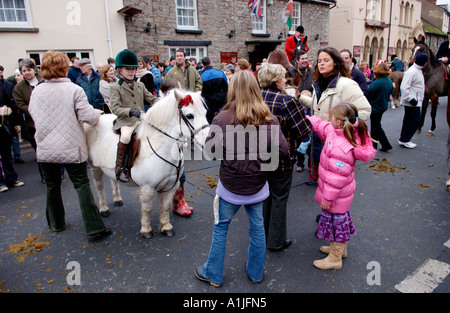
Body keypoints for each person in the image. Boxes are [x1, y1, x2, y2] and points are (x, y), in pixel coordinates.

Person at [194, 70, 288, 287]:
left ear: (232, 90)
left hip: (231, 185)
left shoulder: (222, 118)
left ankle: (213, 274)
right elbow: (283, 151)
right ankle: (256, 273)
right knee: (257, 229)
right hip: (257, 185)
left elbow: (210, 151)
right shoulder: (269, 119)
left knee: (221, 227)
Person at [28, 50, 111, 240]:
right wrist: (99, 113)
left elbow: (33, 114)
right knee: (81, 184)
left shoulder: (37, 90)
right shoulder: (74, 89)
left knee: (52, 184)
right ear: (65, 67)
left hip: (46, 146)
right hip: (71, 146)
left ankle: (56, 223)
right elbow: (87, 116)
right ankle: (94, 227)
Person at [306, 102, 376, 270]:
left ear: (338, 122)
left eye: (331, 117)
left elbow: (335, 177)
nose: (328, 120)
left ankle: (335, 258)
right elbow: (323, 127)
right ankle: (340, 249)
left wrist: (327, 198)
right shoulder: (338, 133)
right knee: (339, 222)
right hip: (341, 196)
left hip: (335, 196)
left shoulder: (341, 147)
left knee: (335, 224)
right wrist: (310, 119)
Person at [298, 47, 371, 185]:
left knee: (334, 182)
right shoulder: (318, 84)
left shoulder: (346, 84)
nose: (322, 64)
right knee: (322, 175)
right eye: (319, 61)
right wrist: (300, 98)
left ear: (336, 63)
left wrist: (342, 129)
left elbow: (364, 110)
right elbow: (317, 106)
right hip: (318, 136)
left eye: (326, 60)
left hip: (336, 139)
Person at [258, 63, 311, 252]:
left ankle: (263, 236)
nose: (285, 81)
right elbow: (304, 131)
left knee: (266, 197)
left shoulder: (255, 99)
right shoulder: (286, 101)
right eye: (283, 78)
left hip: (259, 157)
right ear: (276, 81)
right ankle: (275, 241)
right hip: (282, 158)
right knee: (279, 197)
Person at [109, 49, 158, 182]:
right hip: (126, 121)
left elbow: (151, 98)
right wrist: (129, 111)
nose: (131, 72)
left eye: (133, 69)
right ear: (120, 70)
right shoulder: (115, 87)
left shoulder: (140, 85)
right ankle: (120, 168)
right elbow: (115, 108)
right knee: (125, 137)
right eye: (127, 69)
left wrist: (166, 103)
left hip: (141, 120)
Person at [159, 78, 196, 217]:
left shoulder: (178, 105)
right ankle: (176, 204)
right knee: (174, 176)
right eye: (179, 87)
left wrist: (184, 143)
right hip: (168, 147)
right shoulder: (164, 107)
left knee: (182, 175)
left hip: (177, 145)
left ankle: (181, 201)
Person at [13, 58, 46, 182]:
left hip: (49, 120)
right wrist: (33, 110)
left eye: (29, 70)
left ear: (34, 70)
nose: (26, 73)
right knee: (39, 150)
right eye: (24, 71)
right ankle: (44, 174)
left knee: (53, 148)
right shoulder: (19, 87)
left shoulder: (44, 80)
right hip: (32, 123)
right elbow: (19, 104)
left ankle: (59, 172)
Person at [398, 53, 428, 149]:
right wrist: (410, 99)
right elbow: (404, 87)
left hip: (414, 100)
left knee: (408, 119)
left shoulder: (417, 70)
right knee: (415, 120)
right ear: (424, 63)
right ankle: (405, 139)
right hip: (412, 101)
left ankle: (403, 138)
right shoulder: (412, 71)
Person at [0, 74, 24, 192]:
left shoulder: (1, 86)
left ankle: (11, 178)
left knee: (6, 155)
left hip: (3, 126)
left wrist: (15, 122)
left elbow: (9, 103)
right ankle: (0, 182)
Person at [367, 63, 394, 152]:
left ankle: (385, 144)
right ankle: (374, 145)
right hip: (383, 106)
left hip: (375, 107)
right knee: (375, 126)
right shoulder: (388, 81)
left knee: (376, 126)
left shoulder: (377, 83)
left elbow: (368, 94)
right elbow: (391, 91)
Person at [200, 57, 228, 124]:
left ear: (202, 65)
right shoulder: (220, 73)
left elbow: (201, 91)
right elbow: (226, 87)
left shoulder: (201, 76)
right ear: (211, 63)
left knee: (210, 122)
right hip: (221, 101)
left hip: (209, 103)